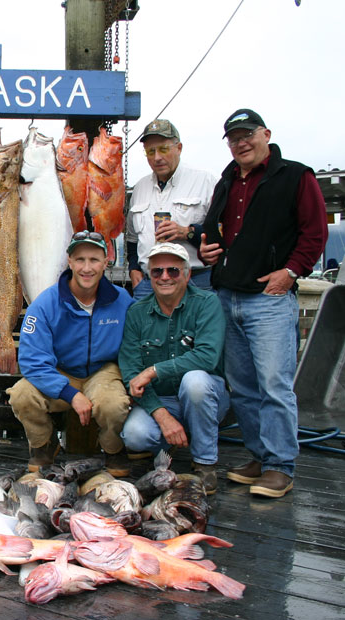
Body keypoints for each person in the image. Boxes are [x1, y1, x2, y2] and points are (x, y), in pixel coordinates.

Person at [200, 108, 328, 498]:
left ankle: (280, 466)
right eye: (234, 138)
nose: (241, 143)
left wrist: (291, 272)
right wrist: (206, 247)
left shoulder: (296, 176)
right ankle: (258, 455)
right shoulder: (226, 180)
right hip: (227, 295)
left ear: (266, 134)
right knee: (242, 387)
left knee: (275, 385)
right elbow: (213, 227)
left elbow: (315, 232)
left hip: (269, 300)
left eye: (247, 135)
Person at [7, 231, 135, 476]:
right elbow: (32, 360)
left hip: (103, 371)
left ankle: (113, 448)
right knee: (21, 395)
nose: (87, 268)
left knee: (113, 404)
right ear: (69, 262)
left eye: (94, 260)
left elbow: (134, 347)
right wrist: (71, 394)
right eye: (80, 260)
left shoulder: (123, 301)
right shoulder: (45, 303)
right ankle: (43, 444)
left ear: (106, 261)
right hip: (60, 370)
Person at [119, 242, 229, 494]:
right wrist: (162, 415)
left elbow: (207, 357)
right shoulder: (136, 312)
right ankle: (167, 445)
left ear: (187, 274)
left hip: (205, 396)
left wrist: (153, 370)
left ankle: (204, 463)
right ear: (149, 276)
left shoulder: (207, 303)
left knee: (195, 382)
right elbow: (130, 372)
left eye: (173, 270)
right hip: (161, 399)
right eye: (157, 272)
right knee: (134, 435)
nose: (165, 277)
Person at [126, 119, 217, 300]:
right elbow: (132, 238)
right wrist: (134, 269)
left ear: (179, 148)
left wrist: (187, 232)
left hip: (195, 281)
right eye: (150, 151)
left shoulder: (205, 182)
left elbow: (220, 235)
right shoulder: (140, 187)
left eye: (164, 149)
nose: (157, 157)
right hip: (148, 283)